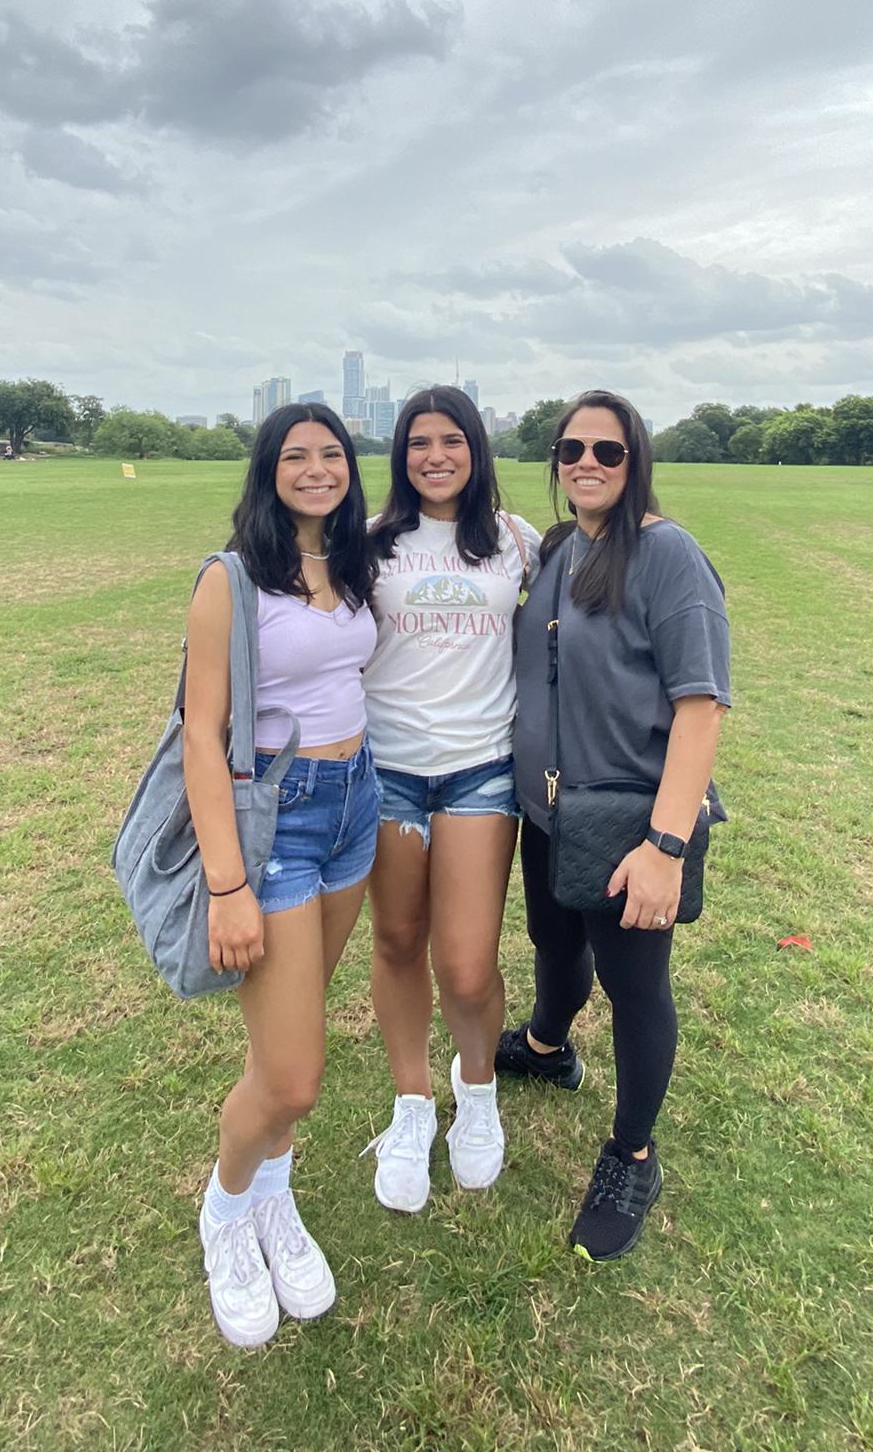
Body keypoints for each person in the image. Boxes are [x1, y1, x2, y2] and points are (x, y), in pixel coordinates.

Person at [497, 389, 729, 1262]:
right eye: (571, 451)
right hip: (549, 810)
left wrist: (666, 847)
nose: (586, 463)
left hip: (630, 818)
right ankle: (550, 1046)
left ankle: (633, 1152)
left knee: (636, 989)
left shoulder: (666, 555)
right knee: (555, 945)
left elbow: (701, 708)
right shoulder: (558, 549)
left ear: (636, 463)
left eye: (608, 450)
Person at [181, 402, 380, 1347]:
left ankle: (275, 1198)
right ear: (267, 473)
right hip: (280, 825)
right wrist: (226, 884)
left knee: (285, 1044)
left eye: (330, 455)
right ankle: (226, 1212)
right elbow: (201, 741)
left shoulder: (351, 563)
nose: (315, 469)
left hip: (356, 808)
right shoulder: (231, 580)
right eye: (294, 456)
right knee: (295, 1077)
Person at [360, 387, 540, 1210]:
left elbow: (606, 560)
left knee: (466, 966)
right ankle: (411, 1108)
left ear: (477, 449)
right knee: (398, 942)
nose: (435, 456)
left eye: (452, 441)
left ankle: (478, 1096)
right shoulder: (369, 545)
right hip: (389, 770)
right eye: (419, 442)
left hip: (481, 768)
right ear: (401, 454)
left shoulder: (515, 542)